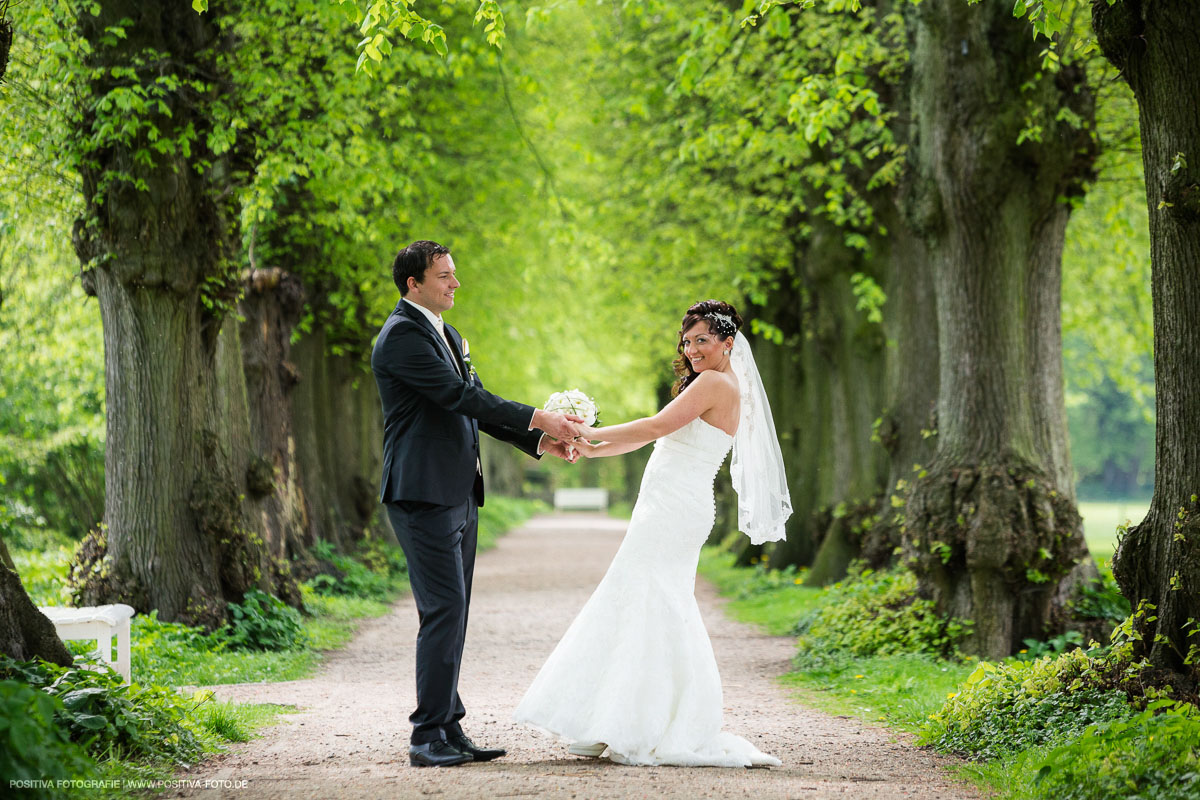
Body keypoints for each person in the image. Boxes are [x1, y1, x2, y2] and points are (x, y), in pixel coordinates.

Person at [514, 299, 793, 767]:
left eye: (702, 339)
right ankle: (614, 718)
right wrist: (591, 447)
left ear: (727, 342)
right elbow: (655, 438)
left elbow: (657, 424)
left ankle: (645, 722)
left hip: (675, 510)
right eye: (687, 342)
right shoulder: (708, 382)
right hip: (665, 505)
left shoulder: (717, 383)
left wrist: (585, 428)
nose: (693, 349)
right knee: (639, 600)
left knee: (653, 600)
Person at [371, 240, 583, 768]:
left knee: (454, 611)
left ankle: (448, 728)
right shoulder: (401, 337)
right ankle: (426, 738)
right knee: (443, 610)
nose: (454, 283)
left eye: (454, 273)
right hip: (421, 494)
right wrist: (541, 416)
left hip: (459, 492)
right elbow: (458, 397)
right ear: (412, 284)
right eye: (443, 276)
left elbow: (479, 411)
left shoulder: (449, 334)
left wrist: (537, 443)